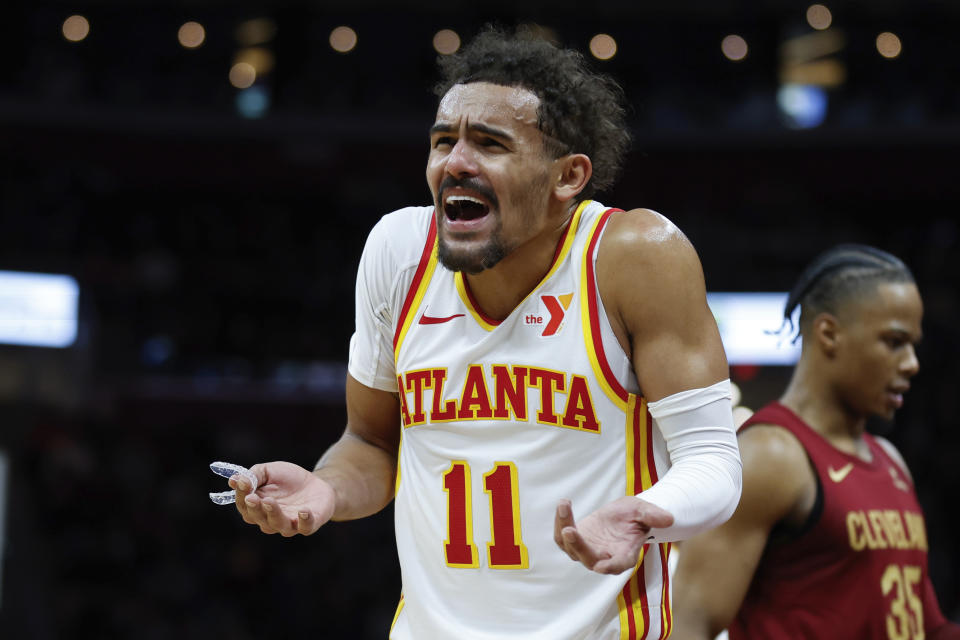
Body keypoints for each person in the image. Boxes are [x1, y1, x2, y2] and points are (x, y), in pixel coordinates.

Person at [223, 27, 742, 639]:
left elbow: (713, 462)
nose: (456, 163)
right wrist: (327, 489)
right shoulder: (398, 252)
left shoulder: (632, 257)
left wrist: (646, 514)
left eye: (490, 144)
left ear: (568, 176)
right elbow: (371, 443)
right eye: (444, 141)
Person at [672, 244, 960, 639]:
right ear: (829, 334)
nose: (912, 362)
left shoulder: (891, 462)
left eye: (913, 344)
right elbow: (689, 625)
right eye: (894, 342)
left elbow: (927, 627)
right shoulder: (770, 456)